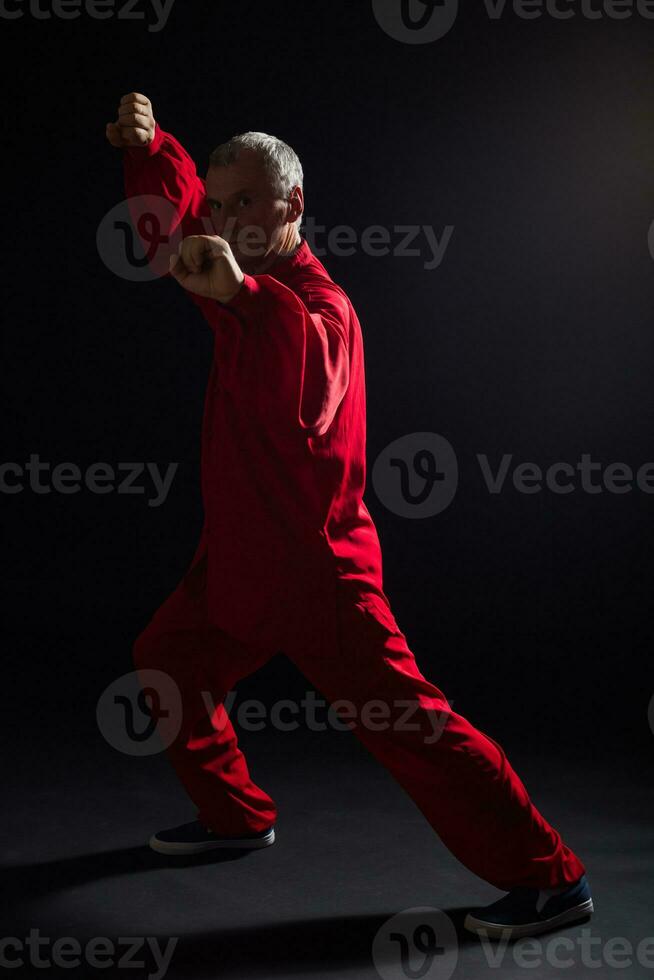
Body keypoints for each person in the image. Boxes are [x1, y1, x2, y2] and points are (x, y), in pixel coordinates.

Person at [106, 92, 593, 940]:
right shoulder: (231, 273)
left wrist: (245, 295)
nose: (223, 220)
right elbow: (177, 228)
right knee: (168, 658)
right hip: (239, 561)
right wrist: (152, 154)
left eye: (245, 203)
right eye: (219, 205)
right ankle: (237, 817)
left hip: (318, 575)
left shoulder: (317, 305)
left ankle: (551, 880)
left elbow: (312, 374)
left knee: (412, 726)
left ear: (292, 205)